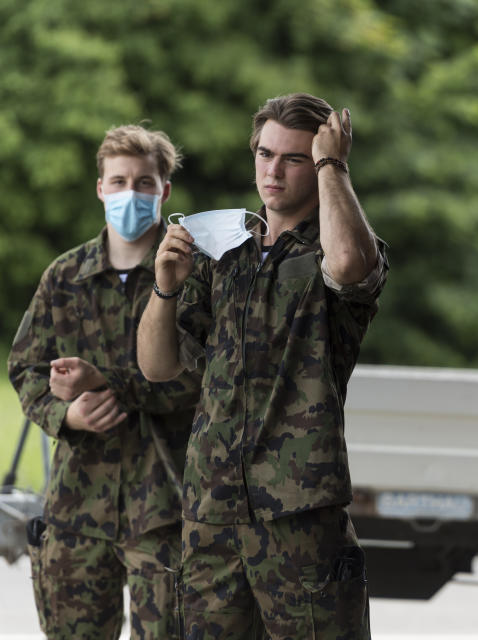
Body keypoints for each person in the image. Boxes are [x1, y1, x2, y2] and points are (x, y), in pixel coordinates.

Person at [136, 93, 386, 639]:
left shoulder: (335, 245)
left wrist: (333, 164)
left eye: (293, 158)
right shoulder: (222, 252)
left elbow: (348, 266)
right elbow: (157, 367)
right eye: (265, 154)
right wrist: (165, 288)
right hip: (212, 511)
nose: (273, 170)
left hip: (298, 515)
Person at [7, 124, 200, 639]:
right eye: (118, 181)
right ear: (100, 189)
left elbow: (202, 380)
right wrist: (64, 414)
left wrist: (107, 384)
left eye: (144, 182)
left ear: (165, 191)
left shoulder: (194, 275)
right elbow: (24, 366)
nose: (130, 193)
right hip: (76, 506)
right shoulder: (64, 276)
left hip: (167, 507)